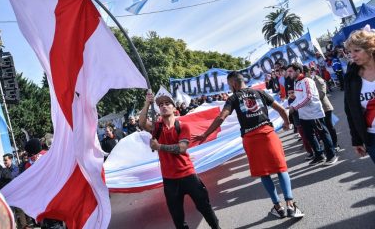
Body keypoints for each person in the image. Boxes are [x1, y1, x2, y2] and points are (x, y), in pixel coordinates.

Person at [194, 71, 304, 219]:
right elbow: (281, 109)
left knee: (264, 173)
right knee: (281, 168)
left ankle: (278, 207)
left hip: (251, 139)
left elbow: (222, 117)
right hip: (268, 135)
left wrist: (205, 134)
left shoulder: (233, 98)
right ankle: (290, 205)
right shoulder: (259, 92)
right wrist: (287, 122)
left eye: (229, 85)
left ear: (233, 83)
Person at [139, 91, 220, 229]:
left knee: (205, 208)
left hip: (188, 175)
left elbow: (182, 148)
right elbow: (141, 122)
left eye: (167, 103)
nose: (164, 106)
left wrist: (159, 146)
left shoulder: (182, 126)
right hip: (169, 180)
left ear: (174, 108)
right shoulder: (157, 127)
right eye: (160, 104)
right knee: (178, 219)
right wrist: (147, 103)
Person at [287, 63, 338, 166]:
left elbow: (308, 97)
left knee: (323, 133)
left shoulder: (307, 81)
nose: (289, 73)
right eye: (288, 71)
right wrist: (292, 105)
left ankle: (331, 155)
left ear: (298, 71)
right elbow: (299, 98)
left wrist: (294, 107)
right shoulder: (297, 83)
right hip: (304, 115)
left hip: (314, 113)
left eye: (291, 71)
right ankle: (319, 155)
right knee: (309, 136)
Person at [344, 27, 375, 163]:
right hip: (372, 138)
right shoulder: (351, 77)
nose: (352, 55)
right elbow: (350, 112)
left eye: (357, 50)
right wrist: (356, 140)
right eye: (350, 52)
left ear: (370, 48)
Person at [308, 67, 340, 151]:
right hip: (317, 108)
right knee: (322, 128)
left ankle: (336, 144)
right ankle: (329, 145)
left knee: (329, 126)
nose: (306, 74)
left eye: (308, 72)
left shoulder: (318, 80)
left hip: (325, 107)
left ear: (312, 72)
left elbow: (322, 94)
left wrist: (310, 99)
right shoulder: (308, 81)